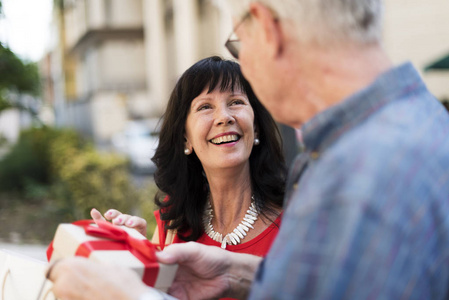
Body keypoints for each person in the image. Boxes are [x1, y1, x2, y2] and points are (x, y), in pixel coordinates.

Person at [48, 0, 449, 299]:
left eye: (239, 44)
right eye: (205, 107)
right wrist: (237, 274)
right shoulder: (421, 127)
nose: (226, 114)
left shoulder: (356, 177)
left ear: (267, 31)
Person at [92, 56, 286, 257]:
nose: (224, 117)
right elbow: (154, 289)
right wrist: (139, 256)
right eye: (205, 107)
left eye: (236, 102)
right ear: (186, 139)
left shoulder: (295, 220)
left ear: (256, 127)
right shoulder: (174, 223)